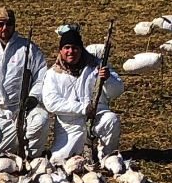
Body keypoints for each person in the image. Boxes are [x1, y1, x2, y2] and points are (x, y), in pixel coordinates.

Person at [24, 23, 124, 162]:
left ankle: (107, 158)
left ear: (81, 49)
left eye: (75, 48)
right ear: (60, 51)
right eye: (67, 48)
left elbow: (117, 91)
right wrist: (83, 108)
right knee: (58, 161)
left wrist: (108, 79)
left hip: (97, 117)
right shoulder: (53, 74)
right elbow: (51, 103)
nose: (71, 51)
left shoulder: (97, 66)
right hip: (70, 126)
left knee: (111, 120)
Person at [0, 7, 46, 156]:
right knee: (5, 152)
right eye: (0, 24)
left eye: (9, 24)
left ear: (14, 25)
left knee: (41, 120)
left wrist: (33, 97)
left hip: (26, 108)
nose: (5, 28)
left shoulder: (29, 49)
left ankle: (32, 158)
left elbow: (41, 77)